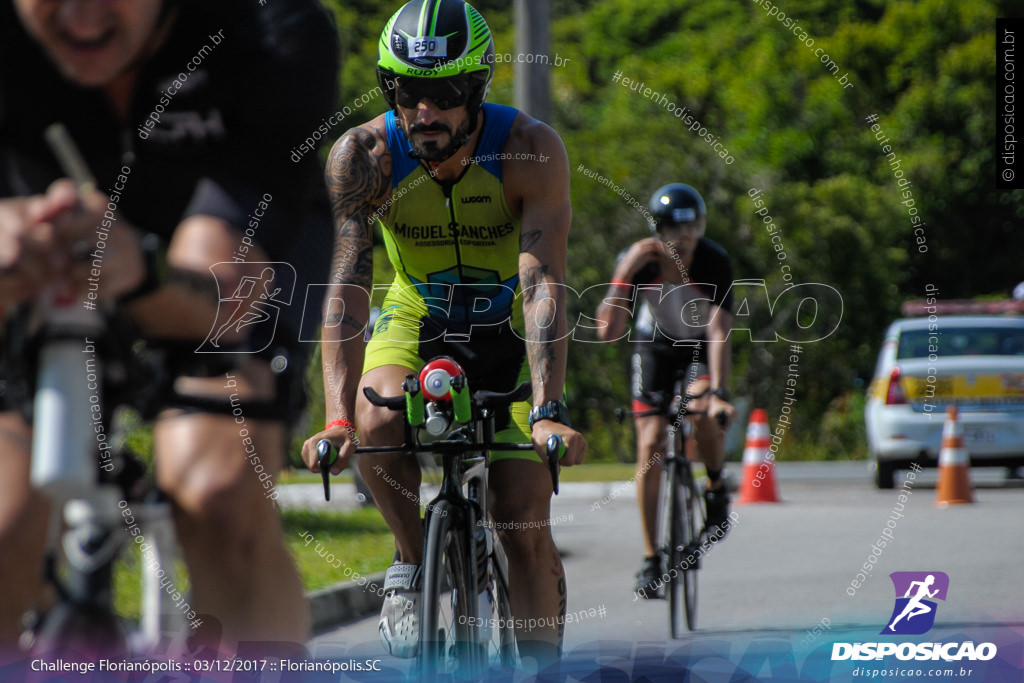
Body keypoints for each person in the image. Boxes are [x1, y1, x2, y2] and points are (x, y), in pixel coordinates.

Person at [0, 0, 339, 651]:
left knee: (218, 490)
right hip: (45, 264)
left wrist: (143, 268)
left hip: (225, 256)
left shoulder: (268, 33)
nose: (80, 11)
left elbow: (221, 293)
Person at [300, 0, 586, 667]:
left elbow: (543, 282)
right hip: (413, 316)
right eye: (407, 92)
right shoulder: (363, 156)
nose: (424, 112)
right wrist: (335, 417)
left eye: (445, 94)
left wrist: (547, 410)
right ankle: (408, 560)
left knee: (522, 523)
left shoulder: (529, 149)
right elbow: (344, 292)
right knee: (375, 425)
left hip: (500, 327)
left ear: (477, 89)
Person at [595, 183, 736, 596]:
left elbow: (719, 329)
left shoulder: (714, 261)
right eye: (673, 227)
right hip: (653, 345)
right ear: (658, 230)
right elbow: (607, 333)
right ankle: (650, 556)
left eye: (693, 225)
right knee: (651, 441)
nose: (684, 235)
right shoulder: (642, 261)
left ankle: (715, 487)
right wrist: (624, 272)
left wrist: (720, 390)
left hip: (698, 347)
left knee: (704, 411)